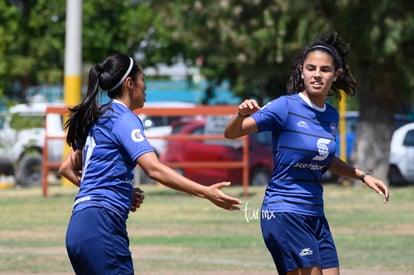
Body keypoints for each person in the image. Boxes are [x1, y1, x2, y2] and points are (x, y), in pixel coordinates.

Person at [59, 52, 242, 275]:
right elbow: (154, 169)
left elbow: (66, 168)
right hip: (101, 227)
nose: (145, 87)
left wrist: (119, 191)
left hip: (78, 226)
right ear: (129, 84)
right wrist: (206, 192)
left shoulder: (97, 117)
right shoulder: (124, 119)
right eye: (142, 79)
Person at [224, 32, 390, 275]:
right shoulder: (285, 107)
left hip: (315, 213)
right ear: (302, 71)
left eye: (324, 70)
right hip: (284, 212)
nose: (317, 75)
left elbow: (323, 158)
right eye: (311, 68)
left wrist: (363, 176)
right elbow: (232, 134)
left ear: (336, 75)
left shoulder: (330, 115)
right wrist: (240, 115)